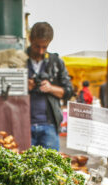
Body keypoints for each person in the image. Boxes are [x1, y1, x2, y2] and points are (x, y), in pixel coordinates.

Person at [27, 22, 73, 151]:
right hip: (23, 124)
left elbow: (69, 91)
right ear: (30, 40)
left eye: (45, 47)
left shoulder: (56, 62)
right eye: (37, 46)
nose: (41, 51)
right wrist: (23, 86)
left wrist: (51, 88)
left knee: (51, 167)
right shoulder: (19, 60)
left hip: (49, 125)